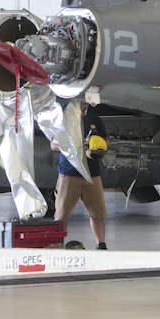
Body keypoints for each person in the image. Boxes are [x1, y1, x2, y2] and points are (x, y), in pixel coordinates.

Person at [52, 103, 109, 249]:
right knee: (62, 215)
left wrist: (97, 145)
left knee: (98, 213)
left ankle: (101, 245)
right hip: (69, 173)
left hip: (92, 174)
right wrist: (75, 146)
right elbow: (53, 145)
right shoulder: (63, 119)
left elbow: (106, 140)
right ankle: (58, 245)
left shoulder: (94, 119)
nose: (83, 103)